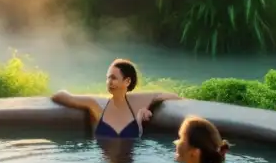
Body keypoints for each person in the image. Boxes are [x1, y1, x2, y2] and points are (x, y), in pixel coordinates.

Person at [51, 58, 180, 139]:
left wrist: (146, 110)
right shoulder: (96, 106)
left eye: (113, 78)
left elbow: (172, 96)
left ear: (127, 81)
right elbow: (59, 96)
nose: (109, 82)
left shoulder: (135, 105)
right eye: (108, 78)